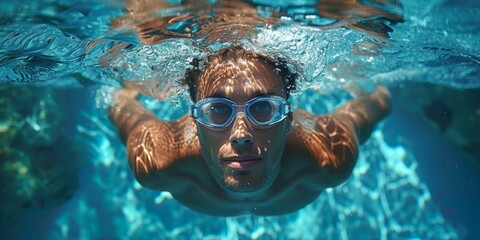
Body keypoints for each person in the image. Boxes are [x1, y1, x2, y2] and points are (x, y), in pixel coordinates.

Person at [109, 46, 391, 216]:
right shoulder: (157, 158)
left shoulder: (328, 155)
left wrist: (375, 88)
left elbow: (378, 101)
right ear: (194, 122)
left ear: (288, 118)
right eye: (218, 109)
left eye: (263, 108)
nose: (240, 134)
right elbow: (120, 103)